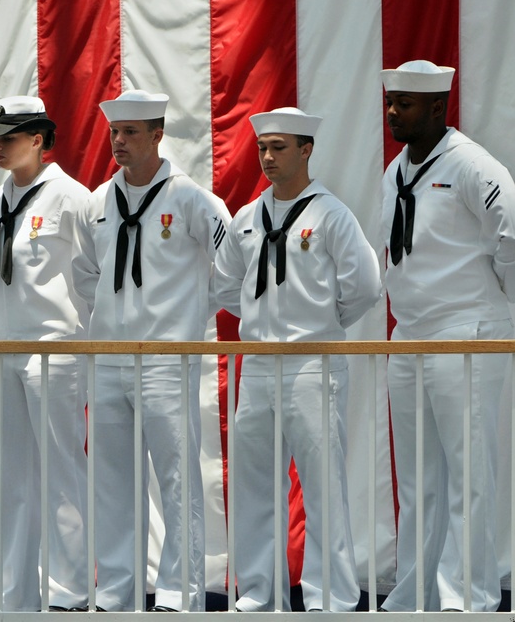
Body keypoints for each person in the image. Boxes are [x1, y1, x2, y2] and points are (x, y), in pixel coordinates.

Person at [214, 107, 381, 611]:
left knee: (322, 485)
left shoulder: (330, 214)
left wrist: (320, 328)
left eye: (280, 147)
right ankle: (261, 595)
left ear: (306, 149)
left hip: (312, 363)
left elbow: (365, 287)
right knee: (254, 483)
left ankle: (330, 598)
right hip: (260, 364)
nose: (268, 156)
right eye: (263, 147)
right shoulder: (248, 217)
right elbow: (225, 283)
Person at [73, 89, 230, 612]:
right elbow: (85, 275)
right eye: (115, 133)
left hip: (166, 359)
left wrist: (187, 316)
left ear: (158, 134)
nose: (119, 142)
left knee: (178, 478)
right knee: (112, 482)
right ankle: (117, 591)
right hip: (111, 357)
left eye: (131, 132)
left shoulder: (190, 199)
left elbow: (230, 269)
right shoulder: (98, 202)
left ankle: (178, 594)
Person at [378, 60, 515, 612]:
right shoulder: (396, 171)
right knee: (417, 480)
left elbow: (511, 233)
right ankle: (417, 595)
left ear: (438, 107)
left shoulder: (471, 166)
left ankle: (468, 599)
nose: (393, 112)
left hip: (466, 332)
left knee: (469, 475)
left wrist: (493, 301)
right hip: (408, 334)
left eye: (405, 104)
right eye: (391, 102)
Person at [0, 96, 90, 611]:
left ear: (38, 140)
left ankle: (68, 593)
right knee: (13, 476)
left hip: (52, 349)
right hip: (4, 347)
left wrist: (83, 340)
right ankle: (15, 593)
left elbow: (93, 278)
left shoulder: (71, 198)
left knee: (62, 471)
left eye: (9, 135)